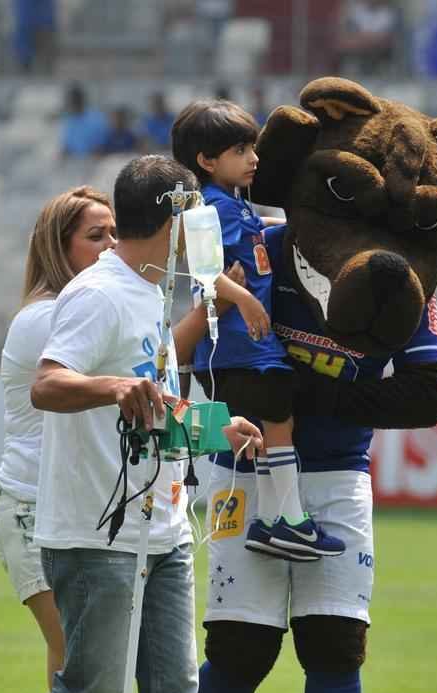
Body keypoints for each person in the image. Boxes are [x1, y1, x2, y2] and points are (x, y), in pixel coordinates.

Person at [0, 155, 263, 693]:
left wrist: (215, 426)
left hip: (165, 529)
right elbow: (48, 384)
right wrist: (113, 386)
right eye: (196, 214)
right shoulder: (99, 294)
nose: (204, 228)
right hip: (96, 534)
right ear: (174, 220)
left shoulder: (151, 291)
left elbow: (155, 404)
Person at [182, 220, 437, 693]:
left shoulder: (400, 276)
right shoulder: (265, 249)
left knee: (335, 648)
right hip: (245, 467)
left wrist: (301, 394)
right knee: (239, 649)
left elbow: (427, 395)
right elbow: (212, 360)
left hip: (338, 473)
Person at [171, 99, 345, 561]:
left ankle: (273, 521)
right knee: (280, 416)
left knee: (271, 425)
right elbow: (205, 270)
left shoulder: (234, 205)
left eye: (253, 148)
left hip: (248, 347)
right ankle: (288, 520)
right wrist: (245, 300)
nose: (254, 158)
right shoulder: (208, 207)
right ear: (207, 160)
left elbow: (257, 232)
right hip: (237, 347)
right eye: (240, 150)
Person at [0, 186, 118, 693]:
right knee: (86, 672)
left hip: (72, 506)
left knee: (81, 669)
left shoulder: (81, 308)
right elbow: (129, 378)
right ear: (58, 247)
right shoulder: (50, 317)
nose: (112, 246)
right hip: (32, 507)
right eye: (96, 237)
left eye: (115, 233)